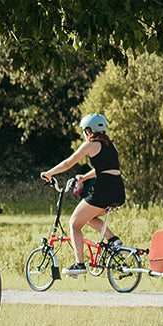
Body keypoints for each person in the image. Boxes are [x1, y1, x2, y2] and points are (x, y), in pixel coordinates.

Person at [39, 113, 124, 276]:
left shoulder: (90, 145)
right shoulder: (110, 145)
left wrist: (49, 173)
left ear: (88, 130)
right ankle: (113, 240)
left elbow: (68, 163)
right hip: (118, 190)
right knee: (90, 217)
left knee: (74, 223)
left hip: (103, 190)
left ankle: (79, 264)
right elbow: (105, 169)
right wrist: (85, 177)